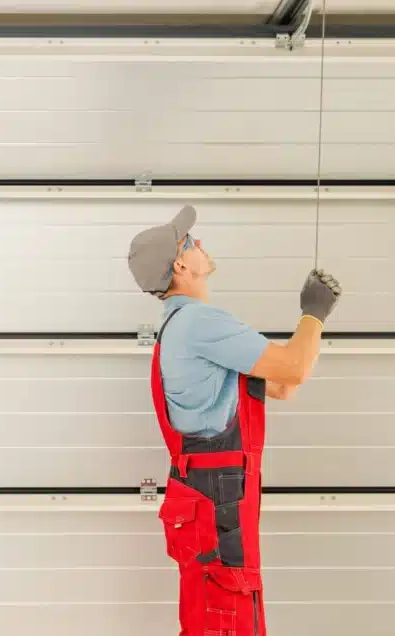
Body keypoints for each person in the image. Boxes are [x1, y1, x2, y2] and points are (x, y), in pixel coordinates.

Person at [126, 204, 342, 636]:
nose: (201, 244)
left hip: (206, 497)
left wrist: (311, 329)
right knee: (229, 615)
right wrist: (313, 314)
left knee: (210, 613)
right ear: (181, 263)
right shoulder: (201, 323)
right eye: (191, 241)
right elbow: (293, 370)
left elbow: (283, 385)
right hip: (219, 500)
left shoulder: (179, 327)